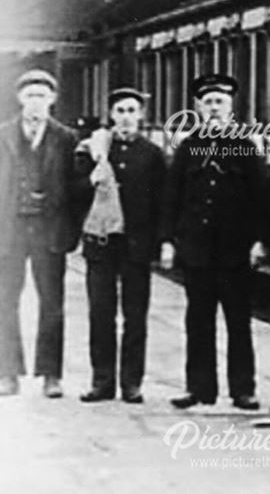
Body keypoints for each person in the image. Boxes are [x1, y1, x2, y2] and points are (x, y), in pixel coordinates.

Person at [160, 74, 269, 410]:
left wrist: (261, 241)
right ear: (199, 108)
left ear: (231, 106)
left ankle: (243, 390)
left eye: (220, 101)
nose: (214, 107)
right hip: (198, 253)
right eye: (208, 102)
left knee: (239, 324)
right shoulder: (189, 148)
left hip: (235, 252)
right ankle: (199, 388)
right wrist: (167, 241)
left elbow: (261, 199)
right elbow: (171, 198)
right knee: (198, 322)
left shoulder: (246, 148)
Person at [76, 87, 166, 404]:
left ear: (140, 116)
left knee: (135, 316)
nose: (126, 117)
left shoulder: (153, 154)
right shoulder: (93, 149)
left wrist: (162, 242)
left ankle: (131, 383)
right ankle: (102, 382)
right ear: (111, 115)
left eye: (132, 110)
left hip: (136, 246)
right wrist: (91, 178)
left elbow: (162, 201)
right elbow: (74, 191)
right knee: (101, 313)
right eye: (120, 111)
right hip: (101, 245)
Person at [0, 70, 79, 398]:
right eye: (30, 95)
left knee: (52, 304)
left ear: (53, 100)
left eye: (42, 96)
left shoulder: (67, 138)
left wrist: (72, 229)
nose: (36, 102)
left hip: (50, 231)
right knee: (4, 302)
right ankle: (6, 374)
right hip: (10, 230)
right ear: (20, 99)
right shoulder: (2, 134)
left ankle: (51, 375)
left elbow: (76, 190)